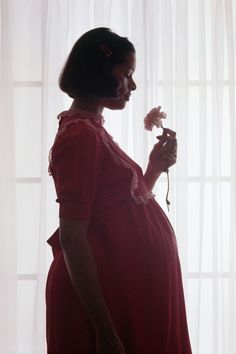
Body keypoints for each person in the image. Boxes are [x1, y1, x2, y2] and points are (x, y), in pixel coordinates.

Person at [46, 27, 192, 354]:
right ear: (100, 71)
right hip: (107, 303)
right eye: (127, 74)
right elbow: (72, 236)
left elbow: (117, 208)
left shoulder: (92, 130)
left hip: (126, 296)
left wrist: (153, 168)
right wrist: (104, 328)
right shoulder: (79, 136)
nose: (133, 85)